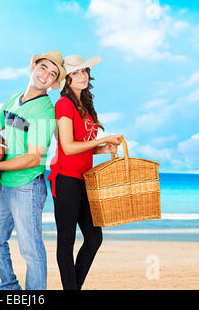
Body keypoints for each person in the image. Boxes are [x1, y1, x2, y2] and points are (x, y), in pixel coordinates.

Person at [0, 51, 66, 290]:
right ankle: (10, 289)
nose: (46, 75)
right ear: (33, 66)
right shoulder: (13, 100)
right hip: (4, 184)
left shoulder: (44, 111)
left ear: (54, 83)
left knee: (31, 249)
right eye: (43, 68)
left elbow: (33, 158)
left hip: (28, 187)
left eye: (53, 74)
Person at [47, 55, 123, 290]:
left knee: (94, 238)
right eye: (75, 73)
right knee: (66, 242)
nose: (81, 76)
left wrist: (101, 148)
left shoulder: (85, 106)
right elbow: (68, 147)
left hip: (84, 179)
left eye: (84, 72)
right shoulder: (64, 105)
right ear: (67, 79)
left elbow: (81, 145)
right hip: (66, 179)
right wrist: (100, 141)